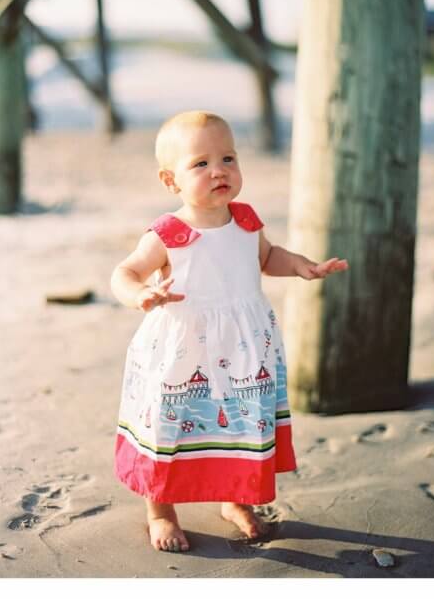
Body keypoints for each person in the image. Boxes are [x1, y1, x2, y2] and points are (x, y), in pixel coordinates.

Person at [111, 111, 348, 552]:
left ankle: (235, 498)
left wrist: (302, 267)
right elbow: (124, 272)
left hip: (242, 348)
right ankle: (160, 510)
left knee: (241, 423)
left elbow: (266, 256)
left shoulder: (245, 221)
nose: (218, 170)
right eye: (200, 164)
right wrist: (141, 293)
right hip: (183, 349)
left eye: (228, 158)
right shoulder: (170, 233)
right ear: (170, 180)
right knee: (172, 424)